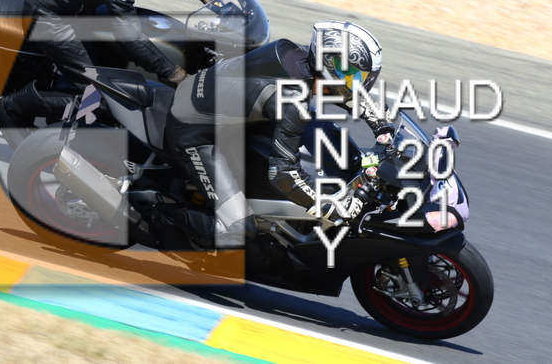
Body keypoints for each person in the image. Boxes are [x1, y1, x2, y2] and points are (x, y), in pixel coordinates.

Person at [157, 21, 394, 250]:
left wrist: (380, 123)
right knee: (239, 228)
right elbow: (282, 174)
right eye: (354, 76)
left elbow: (340, 90)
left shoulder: (299, 53)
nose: (359, 84)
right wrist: (331, 206)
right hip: (193, 132)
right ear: (330, 65)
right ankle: (155, 219)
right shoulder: (293, 98)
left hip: (214, 106)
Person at [0, 0, 219, 130]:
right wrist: (174, 74)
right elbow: (128, 36)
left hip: (71, 2)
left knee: (112, 65)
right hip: (52, 16)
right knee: (105, 99)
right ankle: (7, 108)